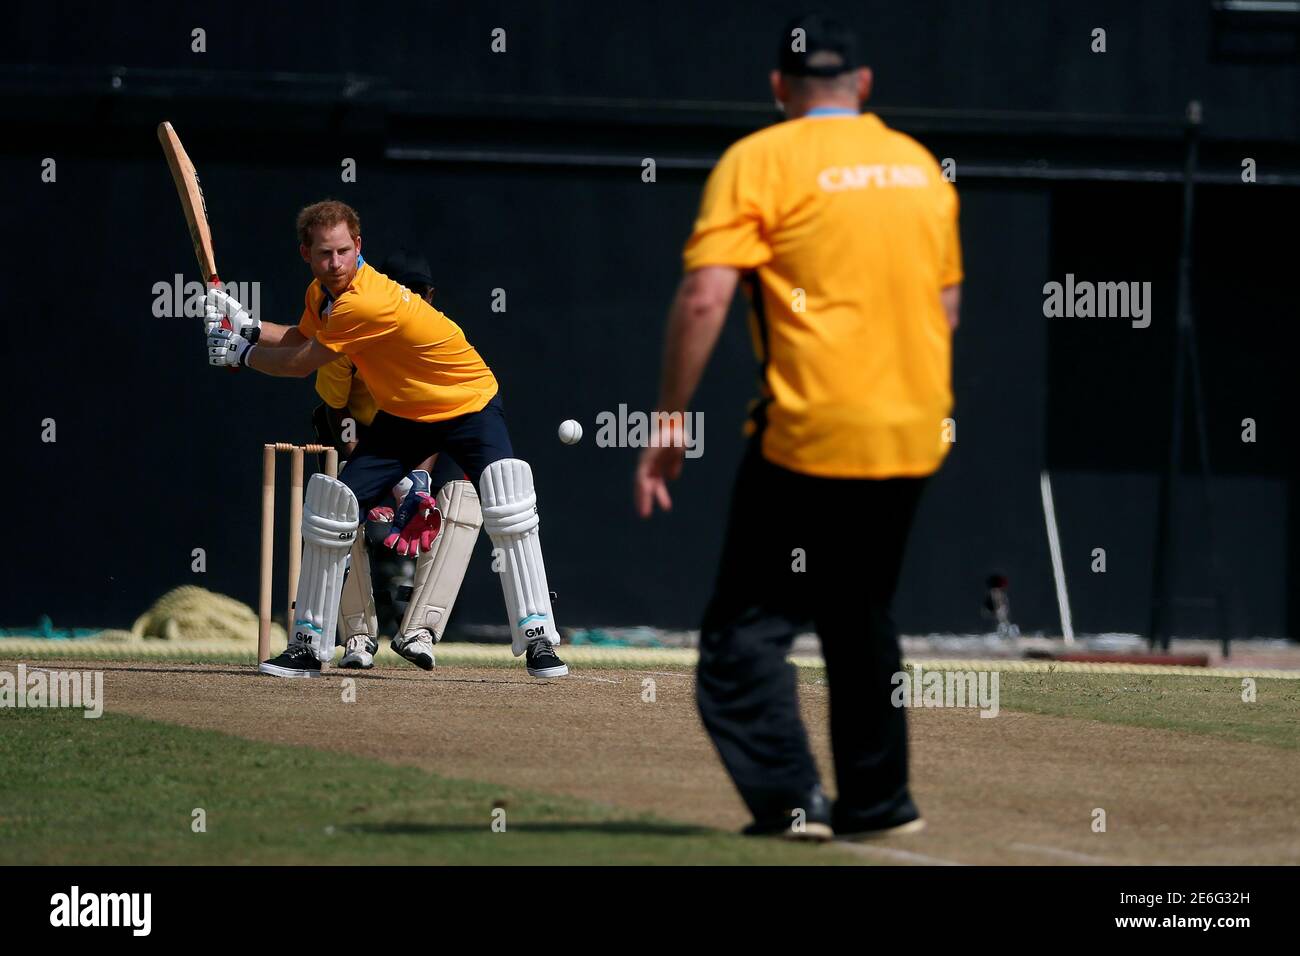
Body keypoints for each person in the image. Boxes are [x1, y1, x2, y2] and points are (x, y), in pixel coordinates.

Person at [635, 13, 962, 840]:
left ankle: (791, 802)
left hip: (812, 428)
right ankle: (879, 803)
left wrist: (668, 419)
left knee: (744, 635)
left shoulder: (761, 160)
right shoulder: (921, 167)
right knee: (861, 616)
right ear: (863, 85)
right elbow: (946, 306)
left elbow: (708, 294)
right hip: (915, 427)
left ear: (779, 88)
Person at [206, 200, 567, 680]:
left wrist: (243, 354)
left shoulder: (364, 300)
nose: (334, 264)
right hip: (406, 414)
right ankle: (308, 647)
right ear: (306, 254)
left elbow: (299, 363)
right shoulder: (323, 295)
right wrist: (247, 327)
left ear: (359, 246)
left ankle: (539, 638)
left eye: (342, 252)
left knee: (507, 495)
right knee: (334, 505)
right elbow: (298, 338)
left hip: (468, 401)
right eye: (323, 255)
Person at [309, 249, 473, 669]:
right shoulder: (355, 328)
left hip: (423, 447)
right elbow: (334, 407)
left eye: (421, 293)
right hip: (362, 444)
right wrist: (371, 472)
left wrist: (415, 482)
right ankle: (358, 637)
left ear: (431, 296)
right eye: (405, 292)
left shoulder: (438, 335)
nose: (414, 300)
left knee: (465, 498)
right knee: (339, 499)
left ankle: (419, 629)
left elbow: (442, 412)